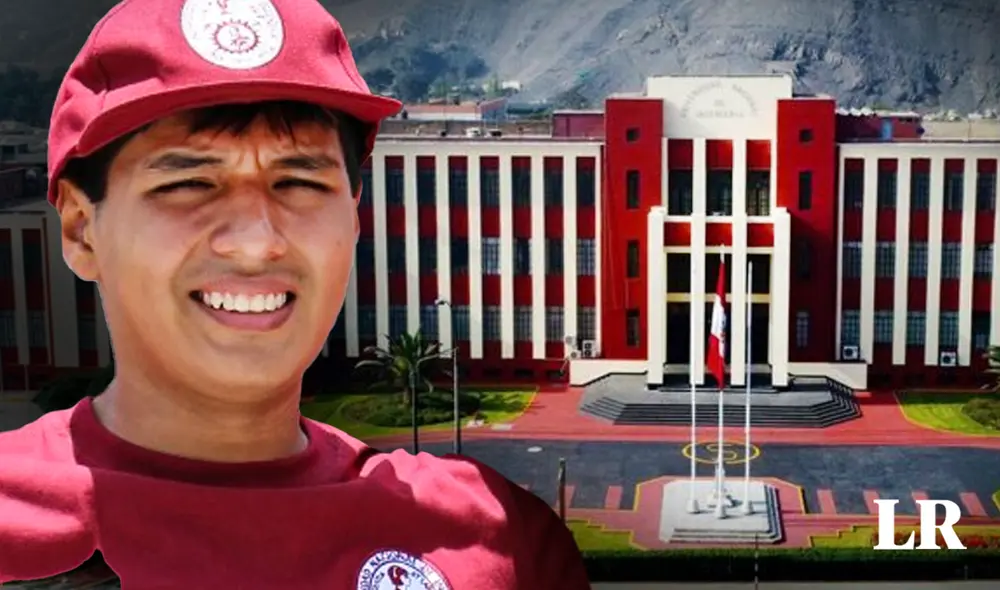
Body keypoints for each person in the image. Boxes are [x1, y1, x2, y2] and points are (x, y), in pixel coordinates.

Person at [0, 0, 591, 588]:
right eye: (189, 183)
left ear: (353, 217)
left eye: (299, 181)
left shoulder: (499, 544)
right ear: (81, 229)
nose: (257, 243)